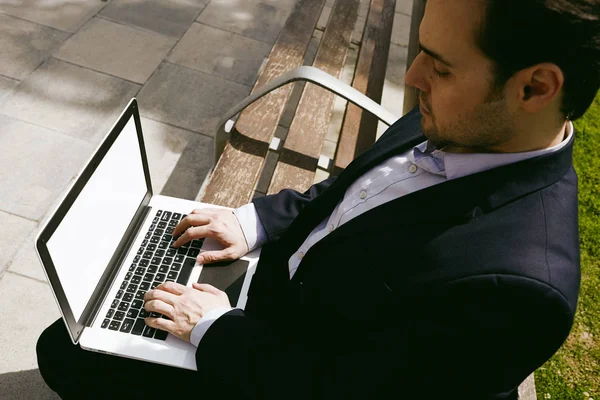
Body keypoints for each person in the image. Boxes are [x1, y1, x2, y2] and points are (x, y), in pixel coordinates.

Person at [37, 0, 599, 398]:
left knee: (66, 353)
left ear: (534, 88)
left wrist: (215, 330)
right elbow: (350, 190)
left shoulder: (517, 290)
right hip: (286, 301)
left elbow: (340, 388)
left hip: (285, 356)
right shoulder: (464, 119)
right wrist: (254, 220)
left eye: (441, 65)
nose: (414, 75)